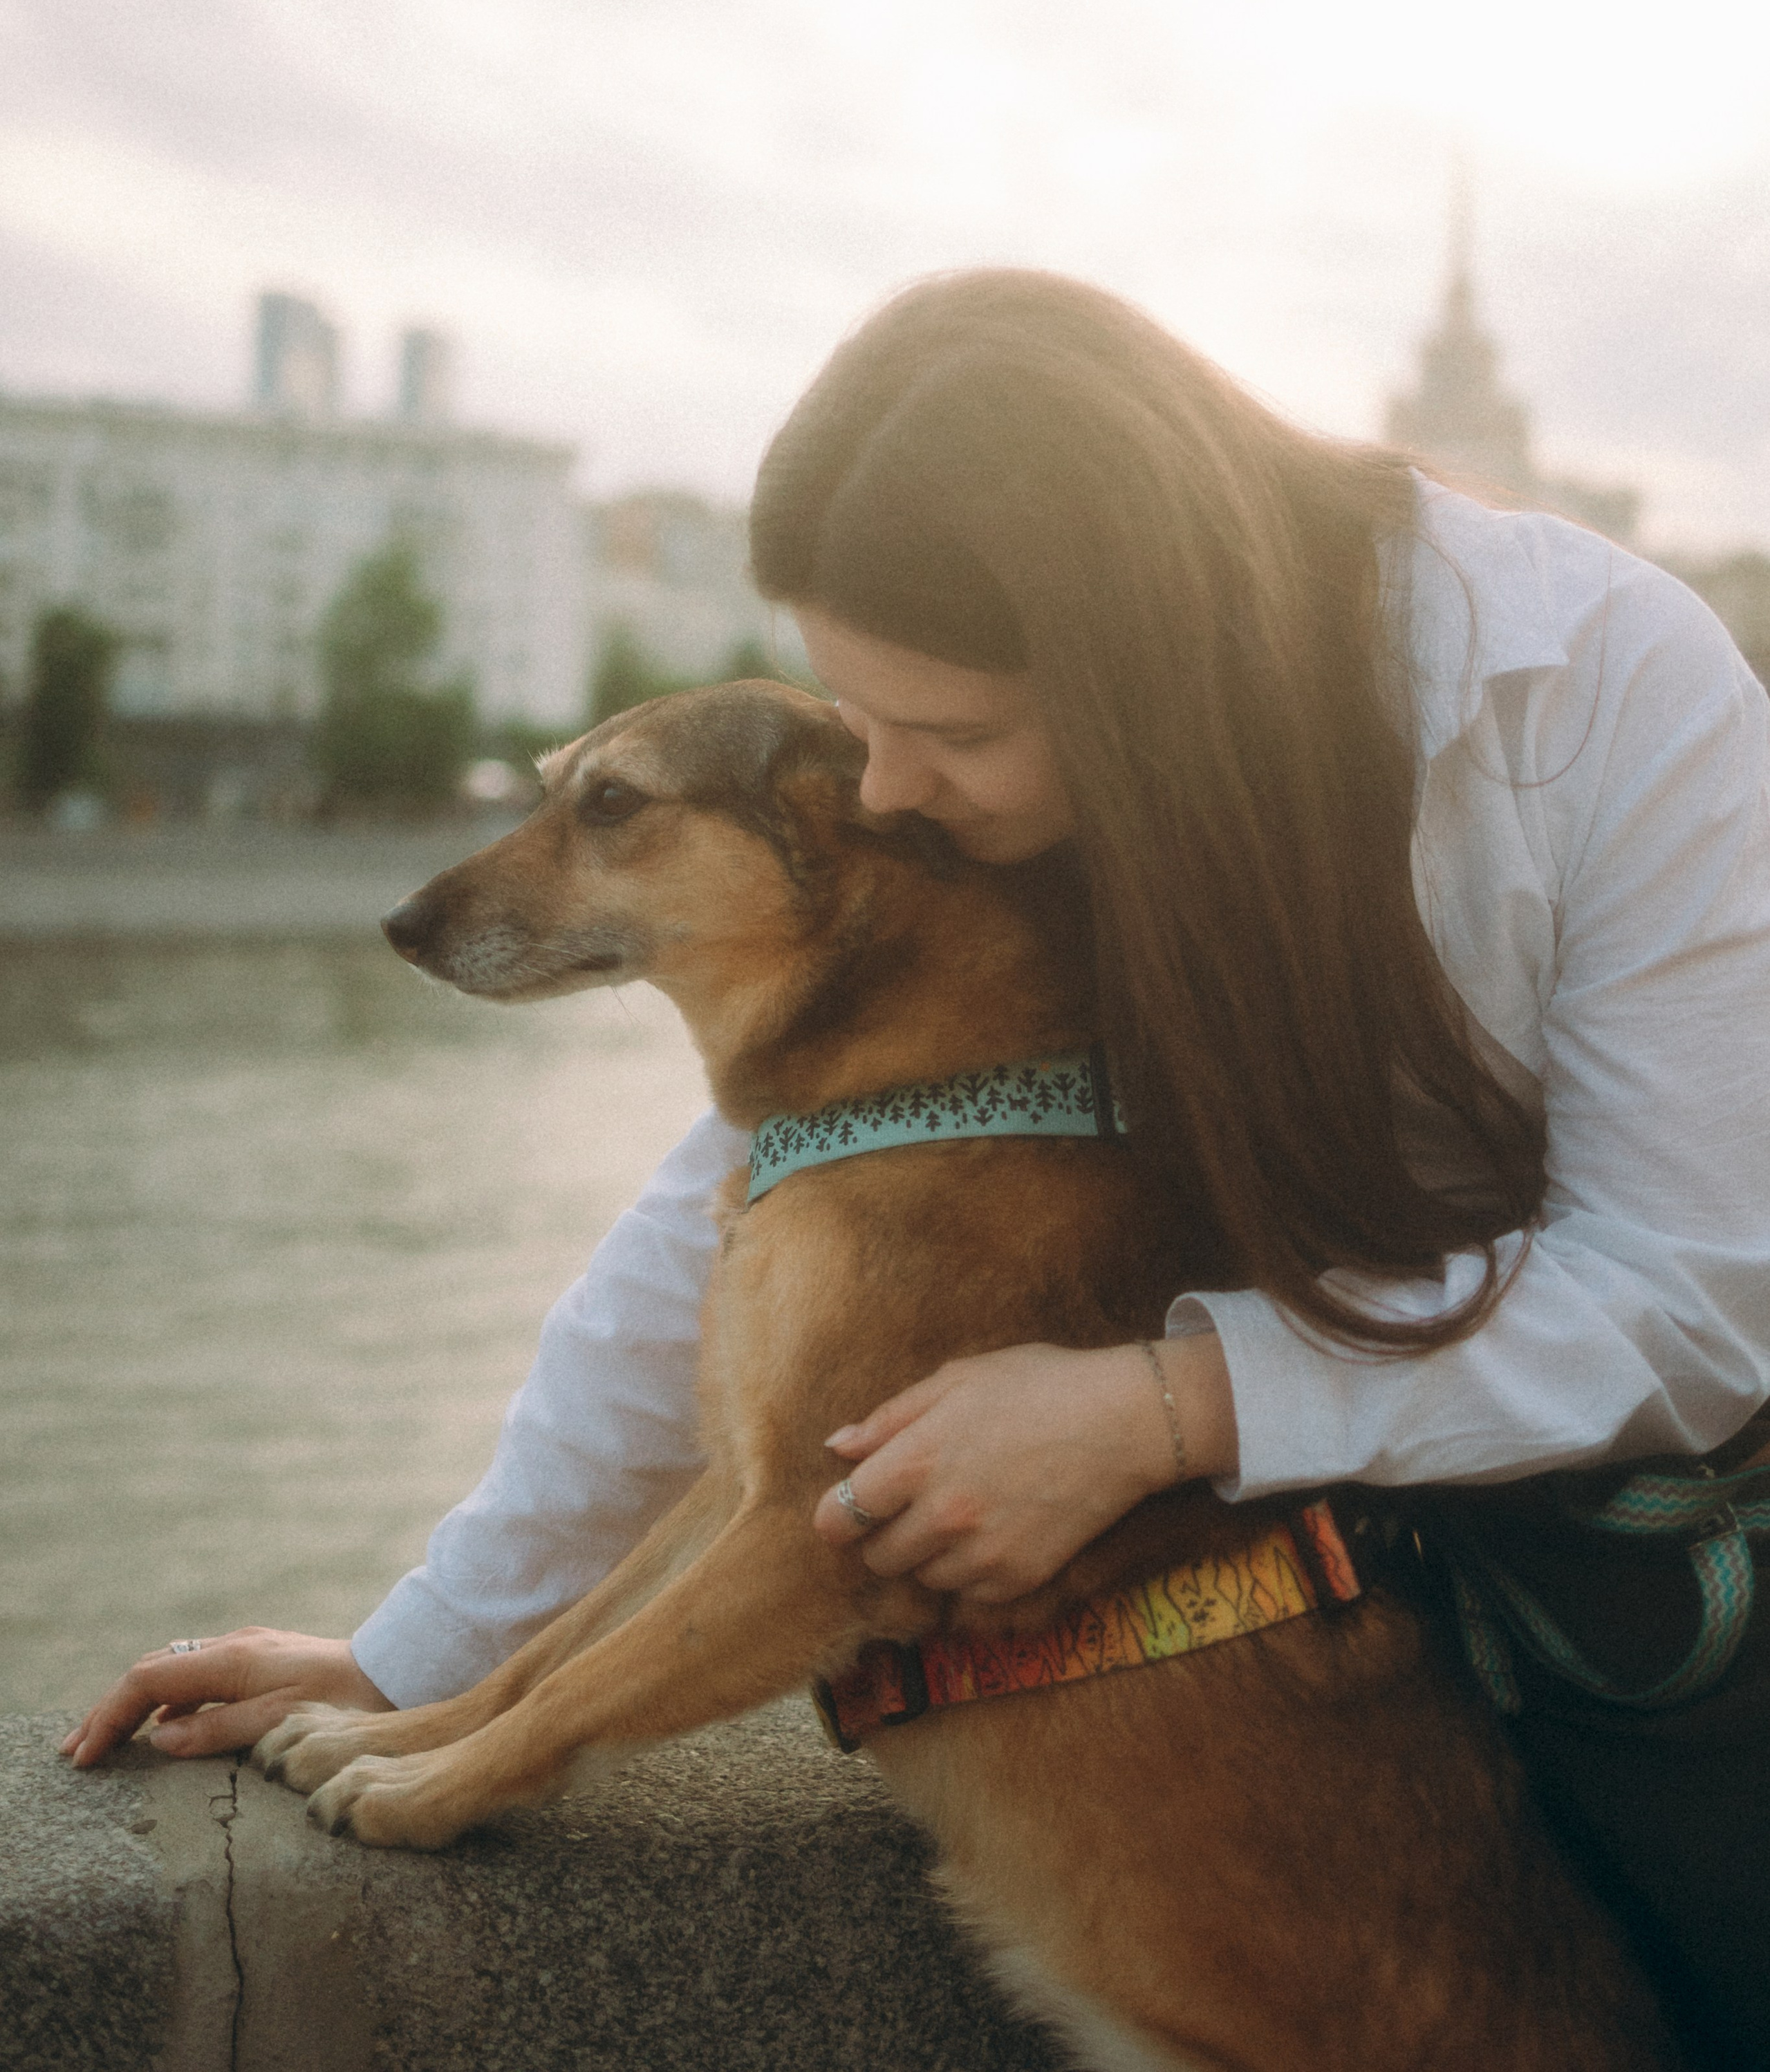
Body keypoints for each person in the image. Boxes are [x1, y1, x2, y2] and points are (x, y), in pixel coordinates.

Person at [66, 270, 1770, 2065]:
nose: (880, 792)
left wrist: (1168, 1403)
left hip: (1672, 1637)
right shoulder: (1014, 807)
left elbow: (1699, 1285)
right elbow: (797, 1187)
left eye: (949, 736)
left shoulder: (1602, 693)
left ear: (1145, 669)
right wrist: (424, 1650)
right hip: (1339, 1660)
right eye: (854, 718)